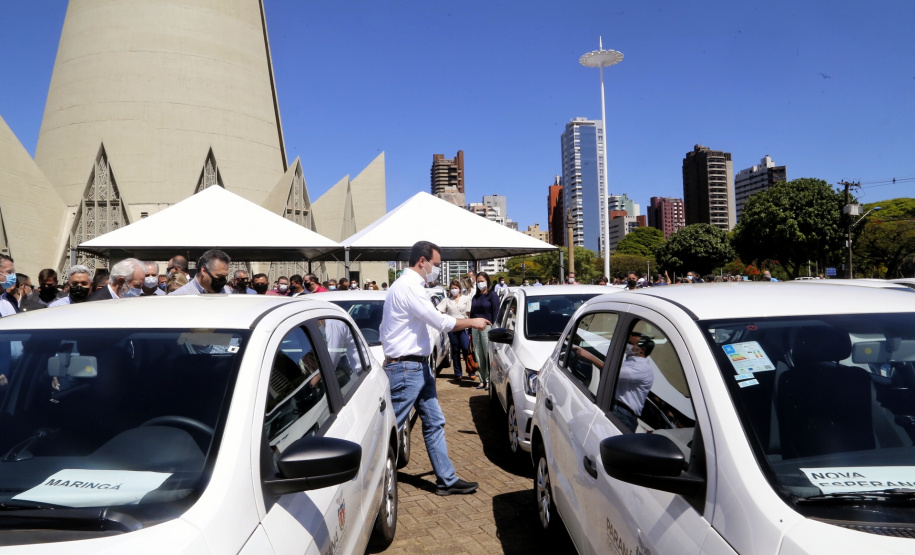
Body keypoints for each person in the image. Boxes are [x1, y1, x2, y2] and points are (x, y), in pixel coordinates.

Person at [380, 241, 489, 496]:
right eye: (436, 264)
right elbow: (440, 321)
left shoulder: (408, 287)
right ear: (422, 261)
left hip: (417, 367)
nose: (437, 269)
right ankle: (364, 483)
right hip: (407, 368)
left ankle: (446, 480)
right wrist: (472, 322)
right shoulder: (409, 287)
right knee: (387, 430)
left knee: (434, 422)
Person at [469, 271, 500, 390]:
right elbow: (472, 314)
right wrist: (470, 330)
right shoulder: (475, 297)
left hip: (487, 328)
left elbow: (496, 312)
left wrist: (494, 328)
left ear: (487, 281)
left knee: (488, 354)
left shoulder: (492, 295)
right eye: (478, 281)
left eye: (482, 281)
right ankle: (482, 379)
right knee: (478, 354)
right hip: (475, 328)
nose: (480, 283)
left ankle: (489, 380)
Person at [437, 279, 473, 379]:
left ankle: (471, 371)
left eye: (456, 288)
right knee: (455, 349)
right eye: (452, 288)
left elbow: (469, 313)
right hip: (452, 328)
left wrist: (470, 326)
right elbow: (440, 311)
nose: (454, 290)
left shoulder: (466, 299)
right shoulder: (447, 300)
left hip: (464, 327)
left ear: (459, 289)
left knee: (465, 348)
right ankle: (458, 373)